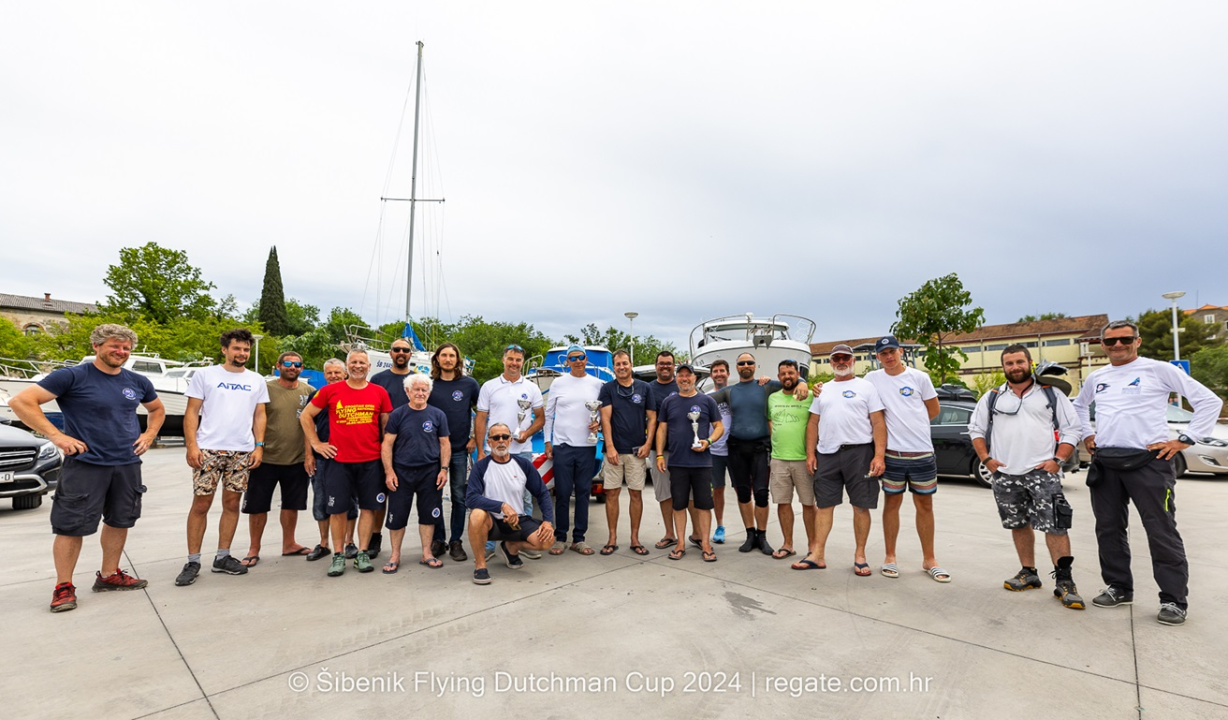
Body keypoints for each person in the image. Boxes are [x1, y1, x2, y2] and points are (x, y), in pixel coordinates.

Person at [1073, 320, 1223, 626]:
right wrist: (1086, 433)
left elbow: (1210, 401)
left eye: (1125, 339)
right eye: (1111, 341)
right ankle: (1119, 587)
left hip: (1150, 463)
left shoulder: (1159, 370)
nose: (1117, 345)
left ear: (1137, 341)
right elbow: (1078, 406)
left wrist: (1184, 440)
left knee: (1161, 531)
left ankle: (1173, 599)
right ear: (1102, 345)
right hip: (1107, 463)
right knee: (1108, 528)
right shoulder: (1097, 377)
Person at [9, 323, 165, 613]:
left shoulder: (136, 381)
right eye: (114, 346)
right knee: (71, 526)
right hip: (86, 465)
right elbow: (21, 401)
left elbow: (157, 409)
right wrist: (56, 436)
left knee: (121, 520)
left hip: (127, 463)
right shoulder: (72, 376)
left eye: (126, 347)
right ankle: (63, 587)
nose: (121, 351)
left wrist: (148, 435)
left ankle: (109, 576)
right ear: (96, 346)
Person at [969, 344, 1084, 608]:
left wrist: (1058, 460)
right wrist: (986, 459)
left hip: (1041, 473)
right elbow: (975, 428)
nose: (1015, 367)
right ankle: (1029, 573)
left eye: (1019, 362)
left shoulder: (1050, 394)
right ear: (1003, 367)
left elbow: (1071, 429)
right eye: (1009, 363)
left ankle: (1064, 582)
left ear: (1029, 363)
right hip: (1006, 475)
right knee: (1018, 524)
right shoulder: (993, 396)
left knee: (1055, 525)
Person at [176, 329, 269, 586]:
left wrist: (259, 445)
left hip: (241, 451)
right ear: (225, 349)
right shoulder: (205, 375)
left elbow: (259, 415)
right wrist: (192, 446)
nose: (242, 353)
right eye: (237, 348)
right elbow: (192, 412)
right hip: (209, 450)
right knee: (201, 505)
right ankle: (193, 560)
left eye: (246, 349)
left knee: (231, 504)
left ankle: (222, 556)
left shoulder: (256, 380)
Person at [299, 349, 393, 577]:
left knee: (369, 508)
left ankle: (362, 552)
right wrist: (317, 444)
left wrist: (387, 460)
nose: (358, 366)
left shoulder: (379, 392)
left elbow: (386, 427)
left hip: (370, 461)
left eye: (362, 362)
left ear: (369, 367)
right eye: (353, 362)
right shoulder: (330, 391)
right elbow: (305, 416)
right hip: (338, 462)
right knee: (337, 510)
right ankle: (338, 554)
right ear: (347, 366)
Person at [863, 335, 947, 581]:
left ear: (901, 352)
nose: (888, 357)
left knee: (925, 506)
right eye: (883, 354)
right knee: (892, 504)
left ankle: (929, 559)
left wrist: (913, 427)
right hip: (892, 456)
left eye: (892, 352)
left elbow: (933, 410)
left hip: (922, 454)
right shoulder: (871, 379)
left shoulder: (920, 378)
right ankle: (890, 557)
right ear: (877, 357)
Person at [708, 352, 809, 556]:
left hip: (761, 448)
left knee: (762, 493)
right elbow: (703, 399)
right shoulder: (729, 391)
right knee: (744, 493)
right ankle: (750, 534)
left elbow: (790, 381)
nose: (746, 365)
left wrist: (803, 382)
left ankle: (762, 535)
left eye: (750, 362)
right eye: (741, 363)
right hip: (736, 447)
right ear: (736, 367)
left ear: (755, 365)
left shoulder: (767, 386)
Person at [803, 345, 886, 576]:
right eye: (836, 358)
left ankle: (860, 555)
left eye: (845, 358)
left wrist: (879, 455)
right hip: (827, 454)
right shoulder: (823, 390)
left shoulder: (866, 387)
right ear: (831, 363)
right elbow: (812, 423)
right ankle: (817, 554)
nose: (841, 361)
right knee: (824, 506)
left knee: (860, 505)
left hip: (859, 454)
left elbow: (878, 422)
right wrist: (810, 454)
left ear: (853, 361)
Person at [240, 351, 314, 566]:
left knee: (291, 505)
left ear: (302, 367)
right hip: (266, 459)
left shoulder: (309, 391)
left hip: (297, 459)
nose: (292, 367)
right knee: (257, 506)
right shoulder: (266, 389)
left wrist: (310, 455)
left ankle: (289, 543)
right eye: (288, 363)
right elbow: (253, 419)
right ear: (278, 366)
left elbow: (313, 425)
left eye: (297, 364)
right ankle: (254, 549)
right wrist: (256, 448)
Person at [474, 344, 545, 560]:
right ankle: (487, 545)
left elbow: (541, 418)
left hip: (521, 450)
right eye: (510, 359)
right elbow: (480, 418)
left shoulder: (532, 388)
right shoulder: (489, 386)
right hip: (492, 450)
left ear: (523, 362)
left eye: (518, 360)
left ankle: (518, 542)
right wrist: (480, 451)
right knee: (489, 496)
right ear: (503, 359)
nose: (514, 363)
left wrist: (527, 431)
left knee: (523, 497)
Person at [466, 424, 555, 585]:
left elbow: (542, 493)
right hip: (491, 521)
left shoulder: (523, 464)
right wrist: (501, 506)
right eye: (496, 437)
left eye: (505, 437)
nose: (501, 441)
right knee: (476, 514)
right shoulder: (481, 467)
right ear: (489, 441)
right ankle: (480, 566)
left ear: (510, 440)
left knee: (547, 540)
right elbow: (471, 498)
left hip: (517, 521)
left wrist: (548, 521)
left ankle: (511, 547)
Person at [380, 374, 450, 573]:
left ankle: (427, 553)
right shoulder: (398, 414)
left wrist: (444, 470)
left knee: (428, 516)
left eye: (424, 390)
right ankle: (395, 555)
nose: (420, 393)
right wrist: (389, 472)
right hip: (402, 473)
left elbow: (445, 444)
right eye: (416, 389)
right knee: (397, 516)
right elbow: (387, 444)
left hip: (430, 472)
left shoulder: (438, 415)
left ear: (429, 392)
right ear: (407, 392)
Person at [655, 363, 724, 562]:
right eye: (681, 376)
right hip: (677, 462)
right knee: (679, 505)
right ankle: (680, 544)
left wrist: (708, 441)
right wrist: (660, 455)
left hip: (702, 463)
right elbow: (662, 430)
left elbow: (718, 426)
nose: (684, 379)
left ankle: (705, 544)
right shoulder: (670, 402)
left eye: (688, 375)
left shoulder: (706, 400)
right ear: (676, 379)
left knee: (703, 505)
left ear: (694, 378)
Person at [543, 344, 604, 556]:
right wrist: (547, 442)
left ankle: (579, 538)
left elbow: (604, 413)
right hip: (563, 446)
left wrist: (600, 427)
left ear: (586, 360)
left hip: (587, 446)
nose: (578, 361)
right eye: (573, 358)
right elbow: (548, 414)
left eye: (581, 357)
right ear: (567, 362)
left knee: (584, 493)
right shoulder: (558, 383)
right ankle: (560, 538)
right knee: (562, 493)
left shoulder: (597, 383)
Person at [598, 349, 657, 556]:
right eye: (618, 364)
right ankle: (612, 538)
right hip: (614, 452)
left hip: (637, 452)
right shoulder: (607, 389)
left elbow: (652, 417)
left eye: (625, 363)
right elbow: (605, 419)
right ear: (613, 367)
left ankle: (634, 538)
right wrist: (611, 446)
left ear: (631, 365)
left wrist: (648, 443)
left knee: (636, 494)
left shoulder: (644, 388)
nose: (621, 367)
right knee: (612, 493)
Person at [426, 342, 480, 562]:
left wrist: (476, 438)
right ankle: (438, 539)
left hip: (459, 450)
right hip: (431, 452)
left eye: (452, 356)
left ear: (458, 360)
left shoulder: (469, 384)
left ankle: (456, 540)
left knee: (459, 497)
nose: (448, 359)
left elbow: (482, 412)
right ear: (437, 359)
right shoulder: (428, 385)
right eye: (444, 355)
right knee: (434, 497)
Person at [367, 337, 418, 558]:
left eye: (405, 350)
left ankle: (432, 541)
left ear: (410, 354)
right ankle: (375, 537)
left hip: (411, 448)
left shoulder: (418, 380)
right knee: (380, 495)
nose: (401, 353)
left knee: (412, 495)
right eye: (397, 349)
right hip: (383, 445)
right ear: (390, 354)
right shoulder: (378, 380)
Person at [303, 359, 359, 561]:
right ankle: (324, 543)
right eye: (329, 373)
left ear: (345, 373)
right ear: (324, 375)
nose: (333, 376)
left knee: (350, 501)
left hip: (348, 457)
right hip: (322, 457)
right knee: (320, 500)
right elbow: (308, 425)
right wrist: (310, 452)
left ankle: (349, 542)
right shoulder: (316, 395)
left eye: (337, 372)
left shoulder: (353, 393)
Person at [766, 359, 815, 560]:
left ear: (798, 374)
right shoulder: (772, 398)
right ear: (779, 377)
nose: (787, 376)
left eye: (791, 373)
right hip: (778, 459)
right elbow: (770, 421)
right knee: (783, 503)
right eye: (783, 374)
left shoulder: (810, 395)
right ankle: (788, 544)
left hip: (804, 459)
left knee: (808, 504)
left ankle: (813, 546)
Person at [645, 351, 681, 549]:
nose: (665, 367)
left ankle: (696, 534)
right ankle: (670, 533)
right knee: (664, 493)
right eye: (661, 364)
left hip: (684, 450)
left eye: (669, 364)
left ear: (674, 365)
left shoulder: (684, 385)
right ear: (655, 366)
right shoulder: (648, 389)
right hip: (659, 451)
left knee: (688, 494)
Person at [706, 359, 732, 543]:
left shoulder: (736, 394)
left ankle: (751, 529)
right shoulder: (706, 398)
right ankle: (720, 526)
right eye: (715, 371)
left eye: (722, 371)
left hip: (735, 450)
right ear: (711, 375)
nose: (719, 374)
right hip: (714, 451)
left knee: (743, 490)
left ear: (728, 374)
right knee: (718, 490)